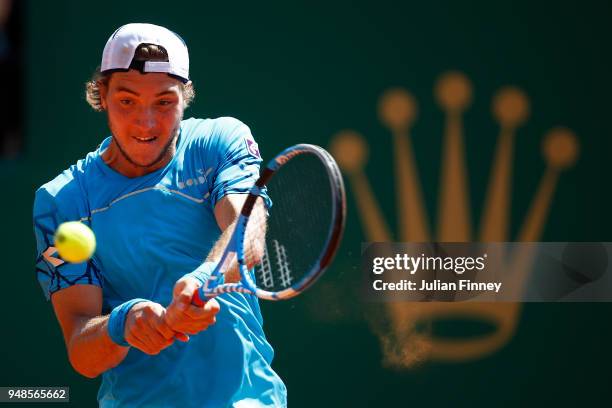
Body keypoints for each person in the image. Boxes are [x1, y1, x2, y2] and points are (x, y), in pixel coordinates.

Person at [33, 23, 287, 407]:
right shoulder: (63, 201)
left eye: (164, 102)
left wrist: (204, 279)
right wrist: (124, 323)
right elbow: (82, 352)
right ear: (101, 95)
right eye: (127, 101)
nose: (146, 123)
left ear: (185, 97)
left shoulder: (219, 142)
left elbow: (246, 230)